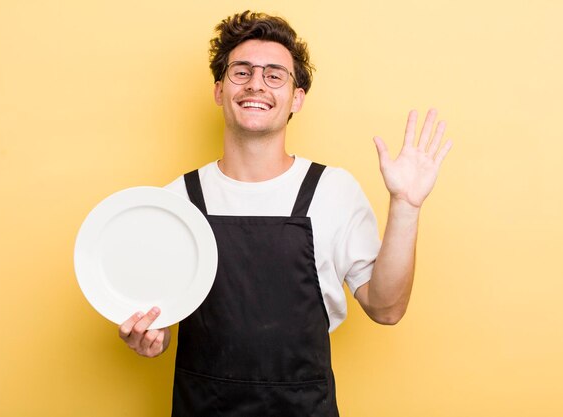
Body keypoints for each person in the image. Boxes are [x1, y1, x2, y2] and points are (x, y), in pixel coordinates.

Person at [118, 10, 452, 416]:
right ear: (219, 90)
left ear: (297, 97)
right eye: (241, 71)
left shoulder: (333, 191)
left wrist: (406, 206)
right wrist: (150, 337)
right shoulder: (177, 200)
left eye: (275, 74)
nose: (256, 83)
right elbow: (161, 323)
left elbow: (386, 308)